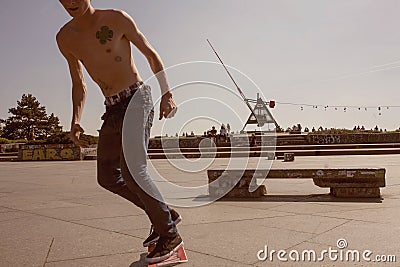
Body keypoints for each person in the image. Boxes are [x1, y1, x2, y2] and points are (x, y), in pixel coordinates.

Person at [56, 0, 182, 263]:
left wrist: (167, 94)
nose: (70, 2)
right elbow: (78, 82)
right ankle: (164, 213)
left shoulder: (116, 18)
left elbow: (150, 54)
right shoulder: (65, 38)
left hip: (137, 97)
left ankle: (170, 236)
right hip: (112, 108)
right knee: (107, 177)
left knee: (134, 171)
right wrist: (75, 119)